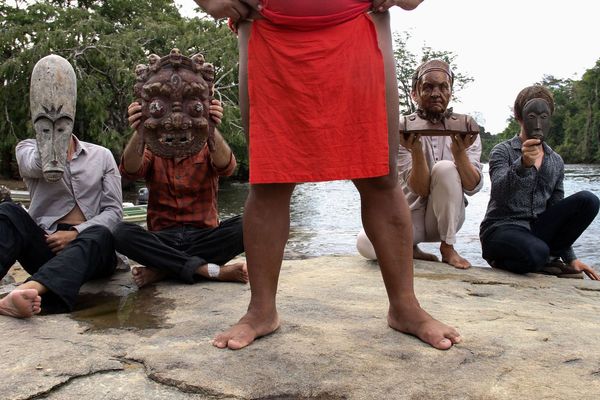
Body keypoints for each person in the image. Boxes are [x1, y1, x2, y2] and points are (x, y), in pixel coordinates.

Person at [194, 0, 461, 350]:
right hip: (267, 29)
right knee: (269, 179)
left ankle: (405, 307)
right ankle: (261, 310)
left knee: (380, 177)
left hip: (358, 27)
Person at [0, 54, 122, 318]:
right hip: (46, 242)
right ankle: (28, 296)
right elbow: (38, 167)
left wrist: (78, 232)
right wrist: (50, 141)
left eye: (62, 123)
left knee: (101, 234)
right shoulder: (27, 149)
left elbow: (114, 212)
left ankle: (29, 291)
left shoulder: (102, 156)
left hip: (91, 247)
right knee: (9, 212)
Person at [114, 49, 247, 288]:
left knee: (249, 224)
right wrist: (140, 130)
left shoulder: (206, 144)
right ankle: (209, 270)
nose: (177, 118)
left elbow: (227, 167)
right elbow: (129, 171)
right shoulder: (153, 146)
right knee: (120, 232)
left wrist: (210, 127)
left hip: (204, 235)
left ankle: (163, 270)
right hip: (162, 238)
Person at [356, 59, 483, 269]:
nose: (436, 93)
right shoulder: (401, 131)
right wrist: (415, 149)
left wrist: (459, 153)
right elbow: (420, 189)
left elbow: (472, 187)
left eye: (443, 87)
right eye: (428, 87)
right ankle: (411, 248)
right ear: (415, 93)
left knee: (445, 168)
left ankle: (448, 246)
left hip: (447, 218)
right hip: (410, 216)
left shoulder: (465, 129)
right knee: (365, 244)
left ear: (450, 92)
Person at [480, 85, 600, 280]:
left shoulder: (555, 160)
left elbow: (556, 208)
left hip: (536, 230)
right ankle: (511, 259)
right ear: (519, 117)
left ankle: (548, 258)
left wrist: (571, 259)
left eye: (544, 117)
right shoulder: (502, 151)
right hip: (501, 228)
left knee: (589, 200)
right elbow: (499, 193)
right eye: (531, 116)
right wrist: (523, 165)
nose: (537, 124)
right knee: (538, 252)